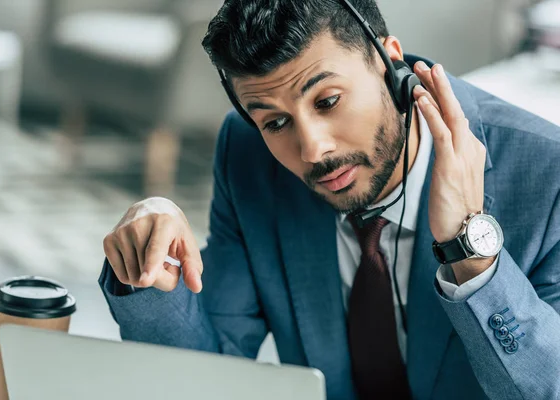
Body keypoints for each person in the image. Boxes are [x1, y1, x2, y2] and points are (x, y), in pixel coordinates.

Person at [98, 0, 560, 399]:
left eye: (327, 101)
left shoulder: (547, 175)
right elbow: (207, 372)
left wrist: (470, 252)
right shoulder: (247, 155)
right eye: (275, 123)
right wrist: (151, 269)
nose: (312, 149)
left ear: (390, 63)